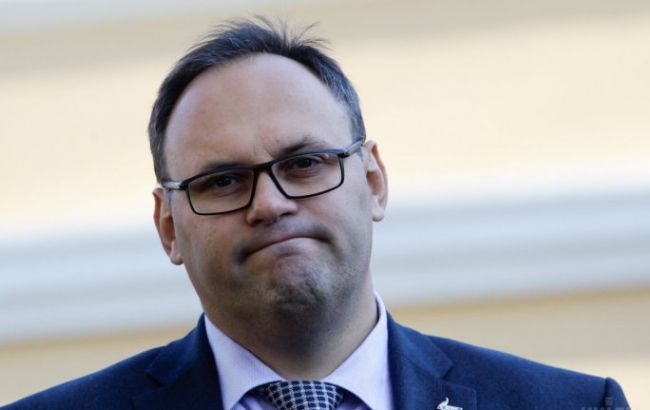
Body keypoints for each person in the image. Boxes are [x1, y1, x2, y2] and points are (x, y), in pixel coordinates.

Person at [4, 18, 629, 410]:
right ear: (169, 227)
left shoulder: (571, 405)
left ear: (374, 182)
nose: (270, 204)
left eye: (304, 163)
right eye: (222, 181)